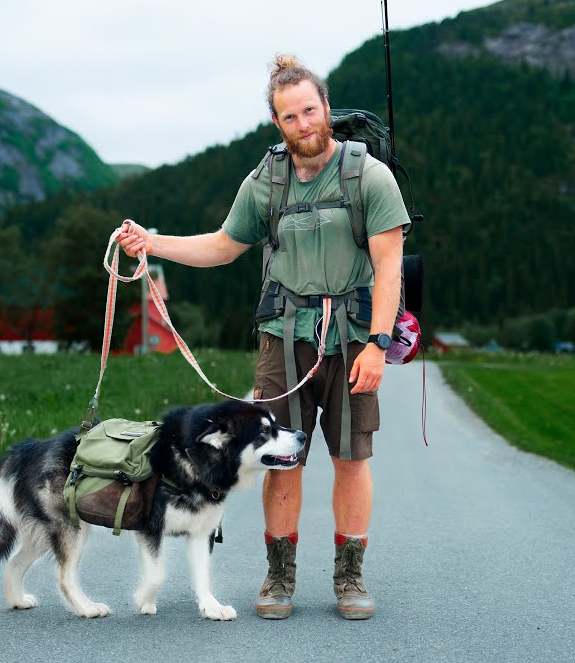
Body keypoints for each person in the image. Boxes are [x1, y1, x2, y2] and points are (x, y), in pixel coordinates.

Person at [115, 54, 409, 621]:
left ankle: (349, 578)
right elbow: (223, 246)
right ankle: (279, 578)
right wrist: (153, 242)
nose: (303, 124)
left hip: (352, 336)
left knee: (351, 457)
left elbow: (389, 265)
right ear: (277, 123)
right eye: (290, 116)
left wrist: (378, 342)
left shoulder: (369, 175)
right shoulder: (266, 181)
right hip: (283, 338)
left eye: (310, 110)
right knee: (282, 461)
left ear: (326, 106)